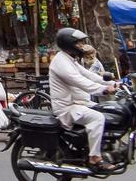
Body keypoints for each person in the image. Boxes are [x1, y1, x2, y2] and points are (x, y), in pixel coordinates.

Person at [51, 28, 117, 169]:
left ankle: (98, 145)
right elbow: (81, 81)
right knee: (97, 118)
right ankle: (95, 158)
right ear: (69, 44)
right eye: (79, 43)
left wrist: (113, 83)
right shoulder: (60, 62)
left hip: (80, 103)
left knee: (109, 111)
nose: (82, 46)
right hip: (67, 108)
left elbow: (89, 75)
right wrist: (103, 90)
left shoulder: (69, 59)